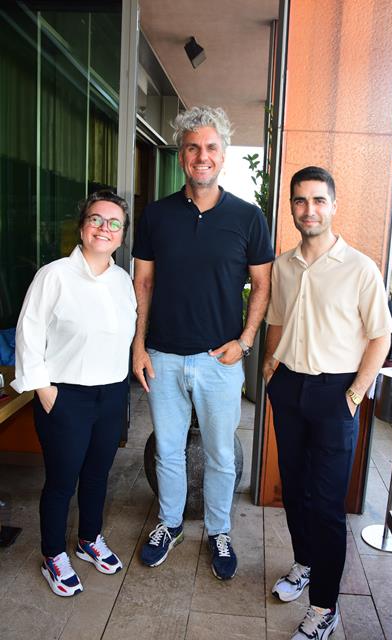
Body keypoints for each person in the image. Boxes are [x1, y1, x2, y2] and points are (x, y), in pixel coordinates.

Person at [132, 105, 274, 580]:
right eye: (192, 147)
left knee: (220, 454)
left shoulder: (248, 217)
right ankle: (170, 523)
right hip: (163, 356)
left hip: (220, 360)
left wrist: (245, 342)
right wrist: (139, 346)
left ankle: (219, 530)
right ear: (181, 156)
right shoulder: (157, 215)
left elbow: (263, 285)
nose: (202, 156)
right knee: (167, 450)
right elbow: (143, 282)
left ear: (223, 154)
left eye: (211, 147)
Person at [263, 166, 392, 639]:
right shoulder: (283, 265)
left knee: (326, 504)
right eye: (300, 201)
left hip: (336, 393)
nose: (309, 209)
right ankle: (305, 563)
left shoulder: (360, 268)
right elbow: (277, 319)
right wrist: (271, 367)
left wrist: (354, 395)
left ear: (334, 206)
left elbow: (380, 337)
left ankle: (324, 607)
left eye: (319, 200)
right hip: (289, 388)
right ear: (291, 207)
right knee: (295, 489)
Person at [11, 191, 137, 597]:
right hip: (66, 396)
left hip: (111, 394)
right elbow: (28, 332)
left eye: (114, 223)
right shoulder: (55, 275)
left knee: (98, 475)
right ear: (82, 226)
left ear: (122, 236)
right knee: (62, 481)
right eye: (96, 219)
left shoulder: (122, 281)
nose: (104, 228)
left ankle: (88, 539)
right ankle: (53, 554)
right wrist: (44, 389)